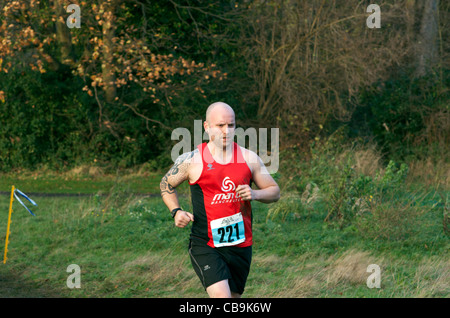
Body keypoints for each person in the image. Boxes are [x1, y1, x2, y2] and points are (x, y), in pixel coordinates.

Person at [160, 102, 280, 298]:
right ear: (207, 127)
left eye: (230, 125)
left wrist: (256, 194)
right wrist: (176, 211)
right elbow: (166, 183)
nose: (226, 131)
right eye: (220, 125)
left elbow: (275, 192)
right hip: (206, 244)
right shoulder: (192, 160)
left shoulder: (249, 158)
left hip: (240, 246)